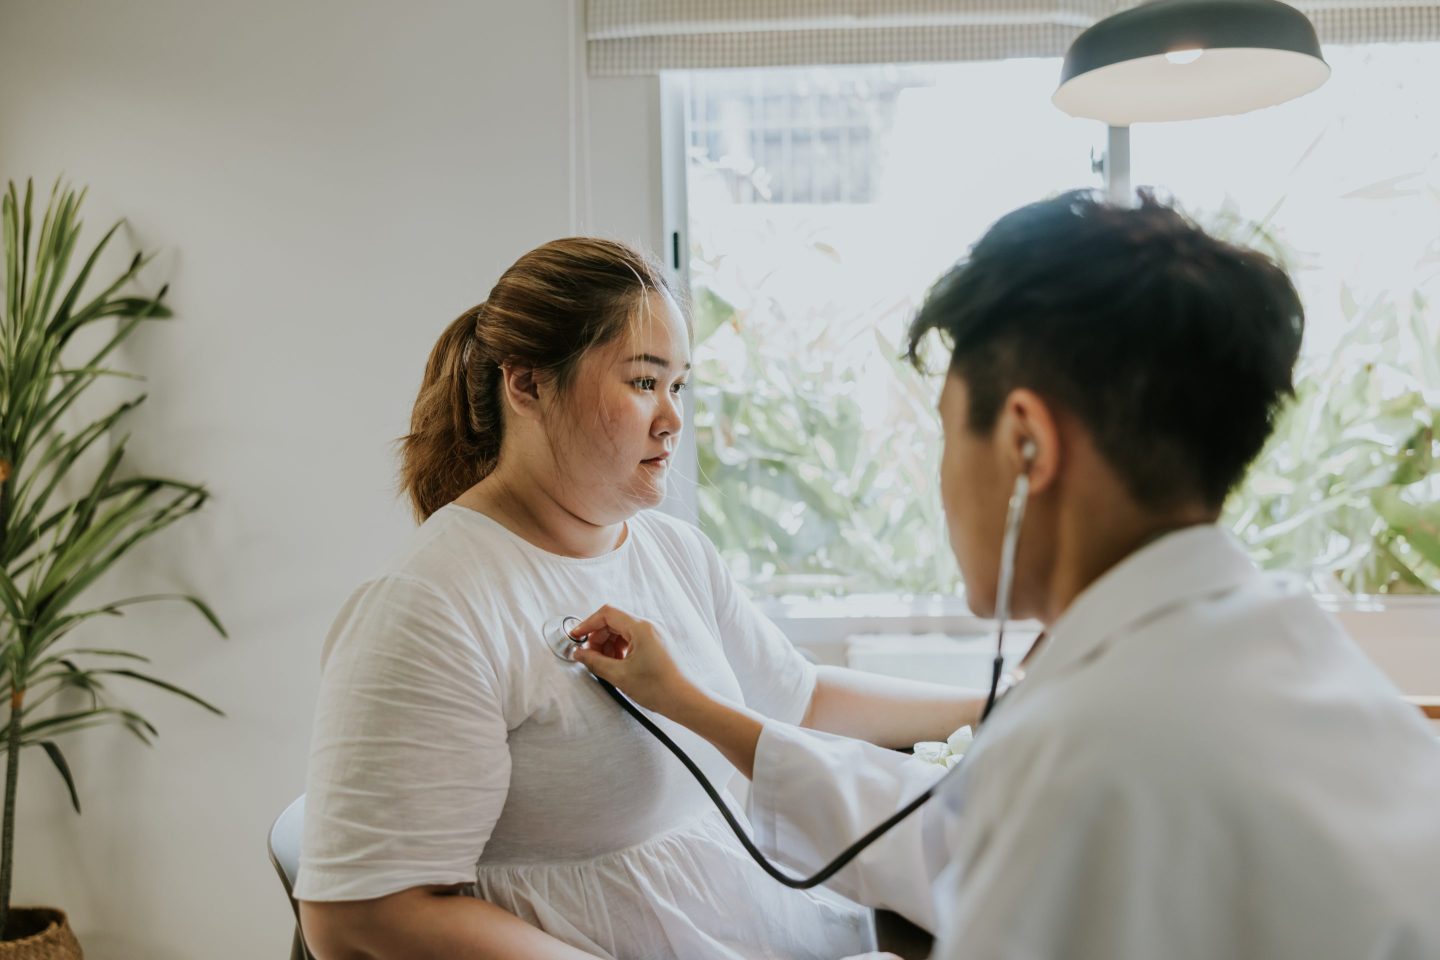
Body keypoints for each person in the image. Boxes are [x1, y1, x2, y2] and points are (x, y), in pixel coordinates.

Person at [571, 193, 1440, 960]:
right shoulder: (1298, 659)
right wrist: (692, 704)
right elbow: (947, 831)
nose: (943, 482)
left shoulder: (1089, 753)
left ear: (1026, 444)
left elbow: (980, 835)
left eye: (949, 434)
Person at [295, 237, 992, 960]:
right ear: (527, 386)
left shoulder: (671, 551)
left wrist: (995, 707)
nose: (672, 419)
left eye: (678, 386)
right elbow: (361, 917)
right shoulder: (429, 606)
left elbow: (799, 697)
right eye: (642, 382)